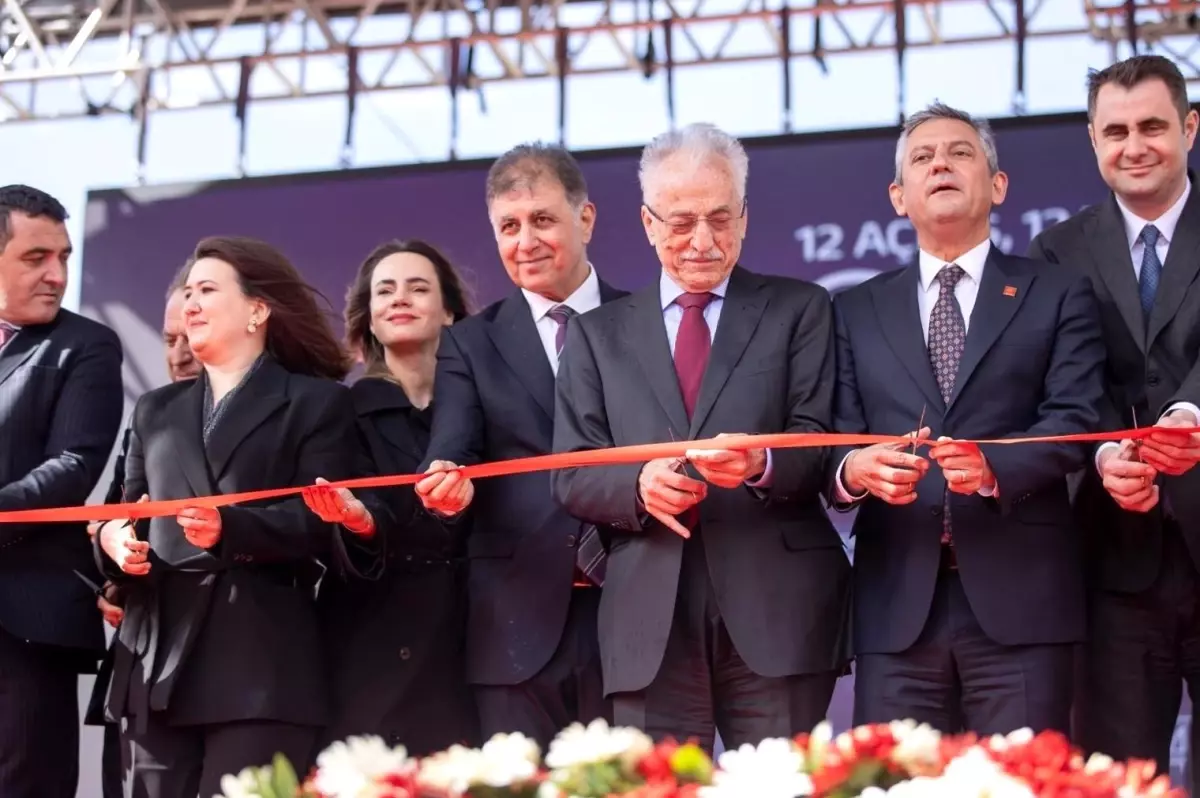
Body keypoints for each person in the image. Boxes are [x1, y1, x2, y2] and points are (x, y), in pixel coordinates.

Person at [549, 123, 849, 752]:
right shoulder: (597, 335)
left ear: (744, 216)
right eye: (682, 222)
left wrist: (762, 463)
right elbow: (572, 472)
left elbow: (822, 441)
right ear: (648, 223)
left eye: (720, 218)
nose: (703, 242)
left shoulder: (801, 309)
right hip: (647, 616)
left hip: (779, 609)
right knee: (656, 790)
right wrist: (638, 485)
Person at [828, 102, 1107, 735]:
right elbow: (833, 439)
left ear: (998, 185)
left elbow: (1074, 419)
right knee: (894, 777)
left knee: (1025, 778)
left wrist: (992, 467)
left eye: (960, 153)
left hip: (1024, 603)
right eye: (923, 158)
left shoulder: (1057, 292)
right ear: (898, 197)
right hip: (896, 607)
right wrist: (854, 471)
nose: (941, 165)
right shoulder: (853, 309)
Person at [90, 236, 381, 798]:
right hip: (157, 660)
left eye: (206, 290)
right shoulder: (155, 409)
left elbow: (326, 521)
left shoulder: (315, 402)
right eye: (188, 293)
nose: (190, 304)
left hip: (259, 662)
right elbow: (127, 508)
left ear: (257, 310)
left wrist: (235, 528)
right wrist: (114, 543)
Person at [414, 143, 627, 749]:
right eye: (508, 226)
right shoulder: (470, 344)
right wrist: (444, 485)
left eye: (542, 220)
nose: (525, 241)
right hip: (515, 623)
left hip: (636, 611)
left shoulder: (643, 322)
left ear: (585, 218)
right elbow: (451, 448)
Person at [1027, 54, 1200, 784]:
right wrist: (1104, 452)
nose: (1135, 146)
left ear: (1190, 128)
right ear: (1093, 139)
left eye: (1153, 126)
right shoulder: (1056, 252)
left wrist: (1189, 413)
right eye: (1116, 131)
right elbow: (1062, 378)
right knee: (1119, 779)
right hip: (1112, 562)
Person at [304, 239, 479, 756]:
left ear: (449, 312)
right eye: (385, 291)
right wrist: (360, 521)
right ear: (370, 321)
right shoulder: (341, 409)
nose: (400, 298)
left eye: (418, 288)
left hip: (470, 638)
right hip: (370, 640)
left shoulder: (487, 408)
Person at [0, 185, 125, 798]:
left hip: (23, 621)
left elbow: (73, 467)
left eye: (65, 257)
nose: (56, 274)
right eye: (36, 257)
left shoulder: (86, 345)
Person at [85, 266, 202, 798]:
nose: (180, 354)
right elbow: (117, 514)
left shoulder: (292, 409)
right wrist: (112, 570)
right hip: (143, 663)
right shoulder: (149, 417)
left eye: (191, 336)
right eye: (170, 339)